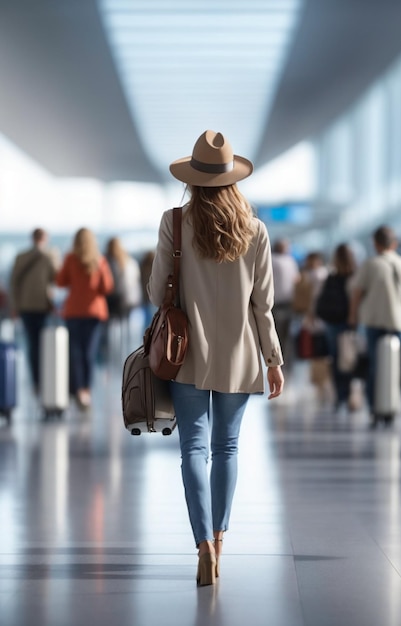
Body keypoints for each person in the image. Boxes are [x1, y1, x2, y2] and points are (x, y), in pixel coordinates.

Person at [147, 130, 284, 587]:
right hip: (241, 354)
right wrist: (274, 361)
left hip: (184, 355)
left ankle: (202, 543)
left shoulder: (175, 222)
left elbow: (155, 292)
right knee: (227, 448)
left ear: (192, 179)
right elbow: (263, 305)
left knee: (193, 449)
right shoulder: (255, 229)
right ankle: (221, 543)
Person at [349, 225, 401, 426]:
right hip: (400, 323)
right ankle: (395, 405)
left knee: (374, 367)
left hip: (373, 322)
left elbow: (357, 293)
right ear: (394, 244)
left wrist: (353, 316)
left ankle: (374, 409)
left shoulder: (370, 265)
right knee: (399, 366)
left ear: (375, 244)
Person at [55, 228, 114, 409]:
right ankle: (86, 391)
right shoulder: (99, 260)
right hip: (94, 313)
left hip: (73, 312)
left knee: (75, 353)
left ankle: (79, 390)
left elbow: (60, 281)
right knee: (89, 353)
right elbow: (107, 287)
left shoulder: (70, 259)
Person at [9, 228, 57, 392]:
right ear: (45, 238)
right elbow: (56, 278)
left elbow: (14, 283)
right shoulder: (48, 256)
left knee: (33, 344)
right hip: (42, 307)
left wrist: (14, 307)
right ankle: (43, 378)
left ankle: (36, 381)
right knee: (44, 344)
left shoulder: (21, 257)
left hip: (26, 307)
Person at [316, 243, 357, 410]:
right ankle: (350, 395)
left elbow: (320, 300)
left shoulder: (331, 277)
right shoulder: (356, 276)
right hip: (350, 323)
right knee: (350, 360)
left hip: (332, 323)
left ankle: (340, 396)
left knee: (335, 359)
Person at [271, 239, 299, 371]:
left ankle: (278, 364)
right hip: (285, 303)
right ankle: (285, 365)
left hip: (276, 303)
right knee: (286, 337)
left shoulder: (271, 259)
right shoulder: (290, 261)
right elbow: (296, 280)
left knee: (277, 335)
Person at [105, 237, 142, 321]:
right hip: (132, 298)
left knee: (114, 326)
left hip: (117, 299)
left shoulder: (109, 263)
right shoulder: (131, 262)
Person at [139, 250, 156, 330]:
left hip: (145, 297)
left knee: (147, 322)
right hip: (154, 296)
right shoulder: (155, 269)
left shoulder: (142, 268)